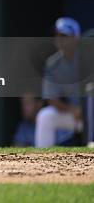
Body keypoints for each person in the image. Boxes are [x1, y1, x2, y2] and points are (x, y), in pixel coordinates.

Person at [35, 18, 84, 147]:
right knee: (45, 116)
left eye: (64, 35)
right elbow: (51, 98)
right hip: (74, 115)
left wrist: (85, 110)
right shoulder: (53, 63)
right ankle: (41, 160)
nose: (59, 39)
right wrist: (72, 110)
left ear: (76, 38)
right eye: (57, 35)